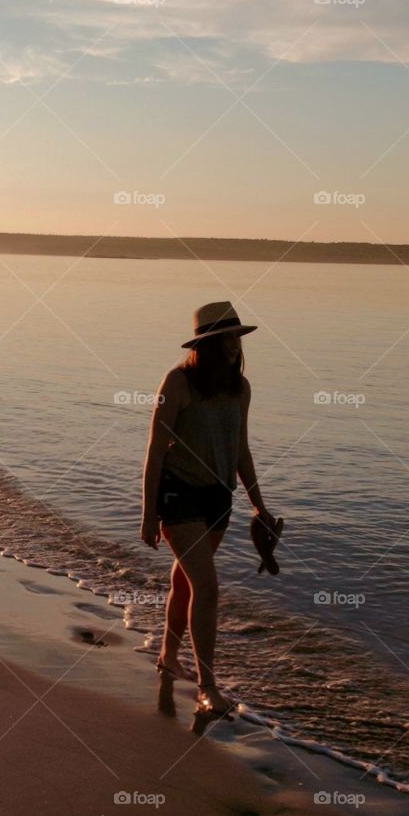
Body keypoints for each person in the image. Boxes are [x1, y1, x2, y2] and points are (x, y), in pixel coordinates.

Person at [140, 301, 278, 716]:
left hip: (219, 497)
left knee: (186, 581)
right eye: (227, 340)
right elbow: (154, 451)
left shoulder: (241, 389)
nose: (235, 347)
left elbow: (241, 450)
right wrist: (148, 514)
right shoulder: (178, 383)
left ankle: (167, 656)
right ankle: (208, 686)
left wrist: (260, 506)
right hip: (178, 496)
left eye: (238, 339)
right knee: (208, 587)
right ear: (208, 343)